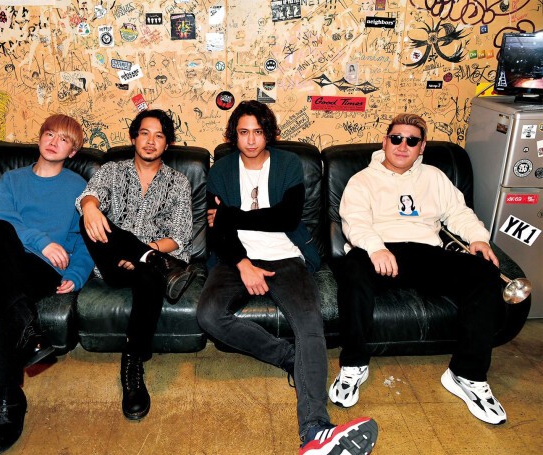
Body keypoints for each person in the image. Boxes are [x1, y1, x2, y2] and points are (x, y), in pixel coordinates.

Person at [197, 100, 378, 455]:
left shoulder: (289, 164)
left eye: (258, 132)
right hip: (236, 258)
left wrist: (231, 215)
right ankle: (288, 357)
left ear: (269, 134)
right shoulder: (221, 170)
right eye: (243, 132)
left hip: (285, 255)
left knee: (310, 323)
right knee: (208, 315)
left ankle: (315, 429)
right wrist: (243, 264)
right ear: (234, 135)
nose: (251, 140)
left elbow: (286, 218)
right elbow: (218, 232)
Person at [331, 113, 507, 425]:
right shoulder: (362, 180)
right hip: (380, 251)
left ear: (421, 147)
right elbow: (354, 221)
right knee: (352, 267)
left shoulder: (434, 177)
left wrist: (478, 238)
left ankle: (466, 374)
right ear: (385, 142)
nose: (403, 145)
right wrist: (375, 247)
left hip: (426, 253)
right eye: (396, 138)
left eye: (412, 141)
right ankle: (354, 364)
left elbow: (458, 212)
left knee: (485, 273)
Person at [0, 114, 94, 454]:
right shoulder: (11, 180)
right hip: (8, 257)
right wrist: (41, 241)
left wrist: (76, 274)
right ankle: (14, 381)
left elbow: (86, 239)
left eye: (64, 139)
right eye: (49, 134)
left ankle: (10, 396)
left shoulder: (78, 188)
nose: (54, 142)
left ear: (72, 152)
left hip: (43, 269)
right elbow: (1, 218)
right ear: (40, 138)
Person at [76, 108, 195, 421]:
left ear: (167, 144)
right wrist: (90, 207)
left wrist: (144, 253)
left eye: (159, 136)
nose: (151, 141)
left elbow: (180, 236)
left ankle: (132, 364)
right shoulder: (113, 170)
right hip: (111, 261)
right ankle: (151, 259)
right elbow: (91, 194)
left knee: (149, 273)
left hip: (150, 267)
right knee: (88, 220)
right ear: (133, 138)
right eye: (144, 133)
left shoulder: (178, 182)